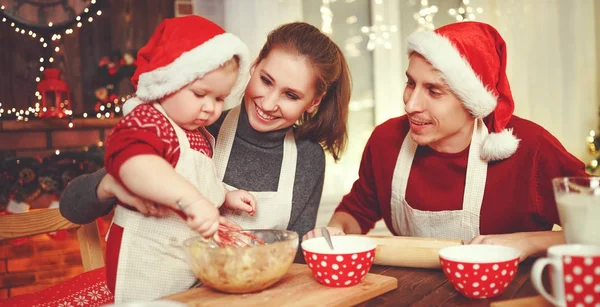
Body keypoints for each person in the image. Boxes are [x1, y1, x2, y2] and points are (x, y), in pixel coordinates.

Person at [304, 21, 587, 261]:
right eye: (411, 83)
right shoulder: (386, 141)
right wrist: (336, 232)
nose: (411, 104)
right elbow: (355, 212)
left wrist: (527, 243)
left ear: (472, 101)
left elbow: (593, 228)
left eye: (434, 91)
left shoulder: (531, 149)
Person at [60, 22, 351, 253]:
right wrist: (110, 184)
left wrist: (319, 243)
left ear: (314, 102)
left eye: (290, 95)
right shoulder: (197, 124)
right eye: (266, 80)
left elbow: (292, 255)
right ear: (254, 65)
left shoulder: (307, 158)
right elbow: (72, 206)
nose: (268, 103)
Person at [101, 15, 255, 301]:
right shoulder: (149, 119)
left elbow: (193, 179)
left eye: (220, 98)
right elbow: (134, 164)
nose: (210, 107)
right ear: (167, 83)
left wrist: (223, 196)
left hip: (181, 261)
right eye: (200, 93)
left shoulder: (196, 133)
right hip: (145, 259)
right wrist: (192, 201)